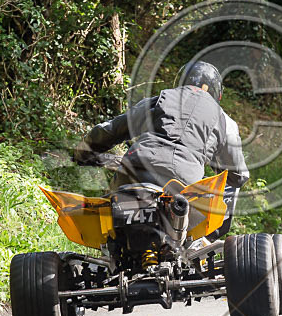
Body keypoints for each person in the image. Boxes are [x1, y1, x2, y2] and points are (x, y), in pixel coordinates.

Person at [74, 60, 249, 209]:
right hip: (184, 185)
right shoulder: (225, 122)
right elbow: (238, 176)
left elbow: (111, 129)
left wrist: (82, 153)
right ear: (217, 93)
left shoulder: (162, 98)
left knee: (109, 215)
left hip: (136, 169)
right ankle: (205, 238)